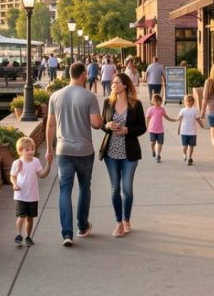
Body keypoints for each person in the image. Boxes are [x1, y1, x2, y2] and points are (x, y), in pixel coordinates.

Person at [45, 62, 104, 246]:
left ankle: (67, 234)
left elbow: (50, 125)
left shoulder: (55, 96)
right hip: (85, 150)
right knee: (84, 188)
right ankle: (82, 226)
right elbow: (97, 123)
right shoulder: (89, 97)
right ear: (83, 75)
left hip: (63, 150)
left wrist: (49, 149)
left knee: (64, 190)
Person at [99, 72, 146, 238]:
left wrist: (128, 130)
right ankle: (118, 223)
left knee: (127, 189)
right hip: (111, 153)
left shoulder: (136, 104)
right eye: (112, 83)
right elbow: (102, 125)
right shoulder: (107, 103)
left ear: (125, 85)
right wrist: (108, 124)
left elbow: (142, 127)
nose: (113, 85)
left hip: (129, 154)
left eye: (116, 83)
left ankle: (126, 219)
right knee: (115, 189)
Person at [10, 136, 53, 246]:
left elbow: (42, 174)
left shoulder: (36, 162)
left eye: (32, 149)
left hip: (33, 195)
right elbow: (13, 176)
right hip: (21, 195)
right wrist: (14, 184)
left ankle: (28, 236)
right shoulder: (17, 163)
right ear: (20, 151)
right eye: (27, 150)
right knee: (21, 216)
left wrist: (49, 164)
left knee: (30, 218)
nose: (30, 152)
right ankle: (19, 234)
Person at [175, 94, 203, 165]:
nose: (189, 102)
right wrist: (178, 129)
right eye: (187, 101)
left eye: (190, 101)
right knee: (185, 146)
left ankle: (189, 157)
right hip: (184, 131)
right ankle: (184, 154)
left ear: (193, 102)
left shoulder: (195, 110)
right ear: (185, 102)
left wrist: (201, 125)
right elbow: (179, 120)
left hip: (192, 132)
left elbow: (197, 119)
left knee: (191, 146)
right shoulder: (182, 110)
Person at [145, 93, 174, 163]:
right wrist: (146, 126)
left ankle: (158, 155)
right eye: (155, 101)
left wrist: (173, 120)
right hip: (152, 129)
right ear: (152, 102)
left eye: (159, 101)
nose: (157, 102)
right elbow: (148, 118)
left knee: (160, 143)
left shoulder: (162, 109)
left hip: (160, 130)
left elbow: (166, 116)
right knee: (153, 142)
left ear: (161, 101)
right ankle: (153, 150)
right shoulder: (150, 109)